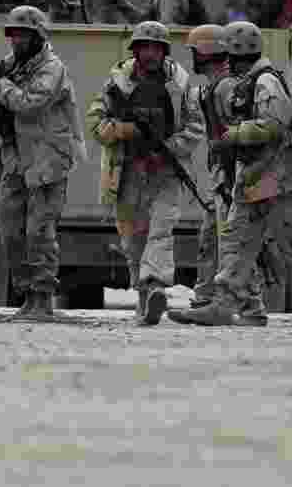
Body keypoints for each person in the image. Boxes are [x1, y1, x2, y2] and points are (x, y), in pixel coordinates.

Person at [180, 21, 292, 327]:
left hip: (278, 181)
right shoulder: (247, 82)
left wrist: (234, 134)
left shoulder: (265, 82)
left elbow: (275, 127)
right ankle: (225, 304)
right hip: (253, 180)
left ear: (234, 53)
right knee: (235, 241)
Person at [86, 20, 204, 325]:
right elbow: (95, 122)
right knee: (132, 241)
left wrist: (168, 148)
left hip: (165, 172)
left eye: (156, 48)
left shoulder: (180, 84)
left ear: (164, 52)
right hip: (125, 172)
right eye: (144, 47)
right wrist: (124, 131)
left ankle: (155, 287)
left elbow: (195, 127)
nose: (150, 54)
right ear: (135, 50)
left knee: (161, 231)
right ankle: (143, 298)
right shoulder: (117, 83)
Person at [0, 5, 86, 319]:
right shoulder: (10, 66)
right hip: (16, 160)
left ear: (37, 36)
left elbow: (30, 103)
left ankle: (42, 297)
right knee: (11, 231)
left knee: (39, 232)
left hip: (47, 162)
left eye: (22, 34)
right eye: (12, 33)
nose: (15, 40)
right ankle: (27, 294)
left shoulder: (51, 68)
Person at [167, 24, 267, 326]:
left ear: (206, 52)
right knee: (212, 238)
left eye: (195, 52)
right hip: (223, 174)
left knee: (231, 243)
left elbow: (237, 134)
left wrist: (231, 176)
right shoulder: (215, 86)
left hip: (231, 176)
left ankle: (250, 307)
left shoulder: (224, 88)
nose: (192, 57)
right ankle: (205, 299)